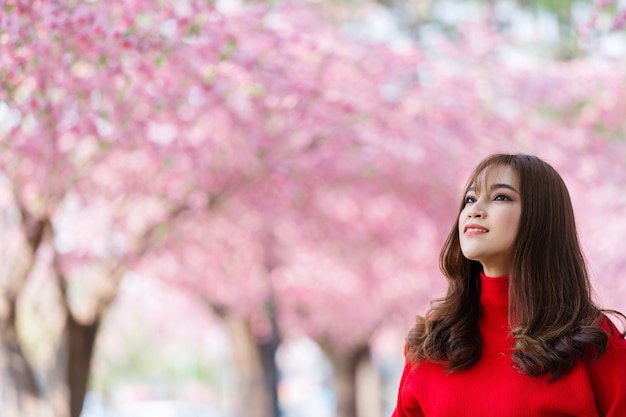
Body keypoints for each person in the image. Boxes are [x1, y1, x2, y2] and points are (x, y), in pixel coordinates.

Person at [391, 153, 626, 417]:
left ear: (541, 218)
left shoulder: (591, 341)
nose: (474, 210)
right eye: (470, 198)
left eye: (501, 197)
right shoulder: (432, 341)